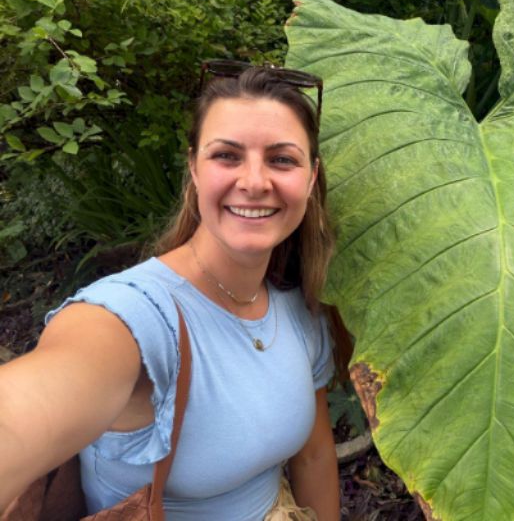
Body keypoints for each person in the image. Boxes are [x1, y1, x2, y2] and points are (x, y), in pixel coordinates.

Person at [0, 61, 348, 520]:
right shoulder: (136, 316)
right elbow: (26, 413)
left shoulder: (299, 310)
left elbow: (314, 458)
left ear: (310, 176)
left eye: (282, 159)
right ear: (194, 168)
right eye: (227, 155)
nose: (254, 181)